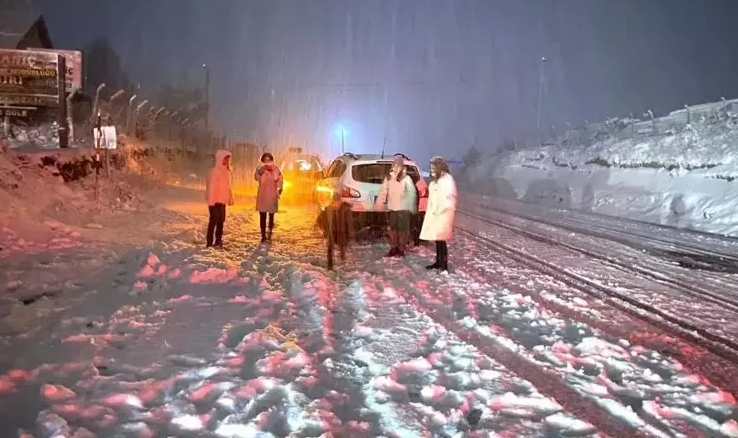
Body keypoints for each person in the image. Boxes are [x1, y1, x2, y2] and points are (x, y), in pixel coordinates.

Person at [420, 156, 457, 271]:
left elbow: (449, 198)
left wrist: (440, 210)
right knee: (438, 239)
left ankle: (444, 264)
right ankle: (438, 261)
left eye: (433, 167)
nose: (431, 170)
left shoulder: (447, 180)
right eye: (431, 167)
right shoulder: (437, 180)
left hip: (443, 215)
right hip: (435, 214)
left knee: (442, 240)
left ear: (440, 167)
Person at [376, 155, 417, 257]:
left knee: (403, 230)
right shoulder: (389, 178)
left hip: (403, 209)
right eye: (394, 165)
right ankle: (394, 247)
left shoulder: (406, 178)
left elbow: (412, 193)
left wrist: (412, 206)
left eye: (398, 166)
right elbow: (383, 191)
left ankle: (401, 249)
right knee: (393, 229)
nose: (395, 168)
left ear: (402, 167)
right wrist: (379, 204)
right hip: (393, 208)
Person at [205, 149, 235, 249]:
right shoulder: (214, 171)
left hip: (222, 201)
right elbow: (211, 188)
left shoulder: (226, 172)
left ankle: (218, 241)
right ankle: (209, 243)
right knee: (213, 220)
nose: (227, 161)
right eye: (225, 159)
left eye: (228, 159)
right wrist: (211, 202)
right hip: (214, 201)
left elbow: (228, 187)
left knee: (221, 220)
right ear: (220, 159)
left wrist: (230, 198)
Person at [255, 152, 283, 242]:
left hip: (272, 195)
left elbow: (280, 179)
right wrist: (262, 170)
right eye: (265, 160)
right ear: (263, 160)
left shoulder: (276, 168)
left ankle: (270, 232)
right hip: (262, 195)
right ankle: (263, 235)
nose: (267, 162)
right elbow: (256, 177)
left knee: (271, 215)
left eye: (269, 160)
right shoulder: (260, 168)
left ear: (271, 160)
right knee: (262, 215)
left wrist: (280, 188)